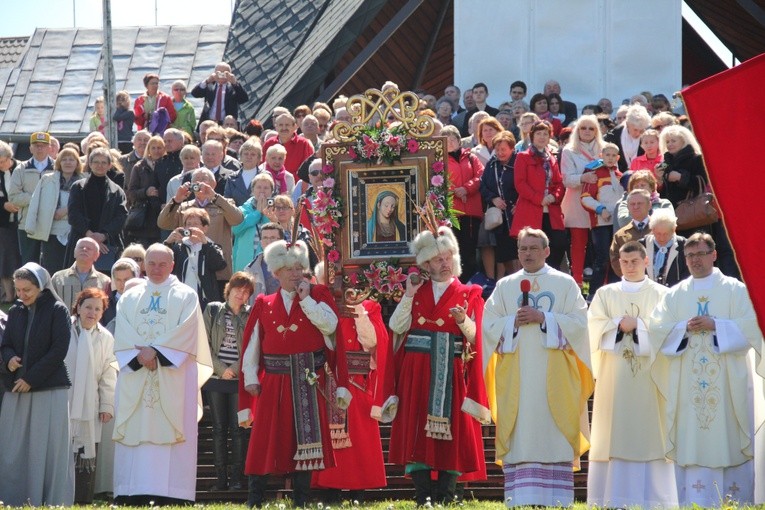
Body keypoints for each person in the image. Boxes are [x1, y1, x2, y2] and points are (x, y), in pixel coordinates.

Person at [649, 232, 764, 507]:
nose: (694, 260)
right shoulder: (676, 294)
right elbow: (656, 329)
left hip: (727, 381)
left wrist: (717, 326)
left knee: (728, 431)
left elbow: (753, 327)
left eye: (700, 254)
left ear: (714, 255)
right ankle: (696, 498)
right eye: (689, 256)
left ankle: (735, 497)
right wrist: (683, 328)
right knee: (692, 432)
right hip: (687, 381)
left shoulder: (736, 289)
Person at [482, 227, 593, 507]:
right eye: (522, 249)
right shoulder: (505, 286)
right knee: (521, 431)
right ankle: (522, 498)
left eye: (533, 248)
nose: (527, 254)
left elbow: (581, 325)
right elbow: (488, 326)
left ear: (547, 251)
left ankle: (555, 498)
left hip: (555, 376)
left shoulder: (565, 283)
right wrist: (512, 323)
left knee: (553, 431)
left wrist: (544, 317)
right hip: (517, 376)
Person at [388, 226, 490, 506]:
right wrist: (408, 295)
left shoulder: (469, 293)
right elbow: (396, 326)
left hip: (452, 370)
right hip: (417, 370)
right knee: (418, 429)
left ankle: (446, 495)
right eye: (437, 259)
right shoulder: (416, 292)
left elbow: (476, 336)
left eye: (447, 257)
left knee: (452, 432)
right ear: (425, 264)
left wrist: (462, 321)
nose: (444, 263)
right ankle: (423, 497)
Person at [240, 240, 345, 508]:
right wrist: (250, 376)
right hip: (273, 381)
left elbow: (330, 326)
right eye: (289, 269)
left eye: (299, 267)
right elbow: (253, 342)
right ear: (276, 273)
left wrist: (306, 299)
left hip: (307, 379)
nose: (296, 273)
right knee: (264, 440)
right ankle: (255, 499)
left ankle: (302, 500)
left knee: (305, 442)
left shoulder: (318, 294)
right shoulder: (264, 303)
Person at [112, 243, 213, 505]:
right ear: (144, 265)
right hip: (137, 375)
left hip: (172, 376)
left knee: (172, 430)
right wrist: (143, 357)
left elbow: (188, 330)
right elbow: (122, 329)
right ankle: (130, 489)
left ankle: (173, 492)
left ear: (172, 265)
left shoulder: (186, 295)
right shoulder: (130, 296)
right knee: (136, 429)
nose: (156, 269)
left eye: (162, 263)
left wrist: (155, 352)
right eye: (151, 263)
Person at [586, 242, 677, 508]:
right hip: (615, 379)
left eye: (635, 261)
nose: (629, 267)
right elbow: (592, 328)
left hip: (651, 379)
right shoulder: (605, 294)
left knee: (652, 433)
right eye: (624, 262)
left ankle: (655, 500)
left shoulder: (662, 295)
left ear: (646, 261)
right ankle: (614, 497)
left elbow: (669, 330)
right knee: (615, 431)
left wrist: (640, 326)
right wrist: (616, 325)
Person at [311, 264, 394, 502]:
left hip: (357, 381)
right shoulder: (320, 308)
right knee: (329, 437)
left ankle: (359, 489)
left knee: (359, 438)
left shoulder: (370, 306)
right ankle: (330, 489)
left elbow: (374, 342)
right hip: (328, 379)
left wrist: (358, 309)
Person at [0, 263, 74, 506]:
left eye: (27, 290)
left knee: (47, 449)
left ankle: (49, 500)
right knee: (12, 447)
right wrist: (9, 359)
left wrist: (31, 378)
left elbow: (58, 351)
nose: (22, 295)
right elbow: (6, 344)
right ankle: (12, 499)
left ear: (41, 287)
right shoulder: (16, 310)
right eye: (18, 290)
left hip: (48, 389)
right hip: (17, 388)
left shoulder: (57, 310)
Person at [65, 287, 117, 504]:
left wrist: (106, 405)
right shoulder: (64, 329)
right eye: (88, 307)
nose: (92, 312)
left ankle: (82, 499)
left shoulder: (105, 337)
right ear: (78, 306)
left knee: (87, 451)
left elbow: (108, 373)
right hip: (64, 400)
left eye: (98, 309)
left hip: (90, 405)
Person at [203, 272, 254, 491]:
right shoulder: (213, 310)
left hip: (239, 379)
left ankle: (236, 480)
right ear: (229, 289)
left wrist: (233, 369)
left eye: (246, 292)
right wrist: (222, 369)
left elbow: (254, 345)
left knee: (238, 429)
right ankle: (220, 480)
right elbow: (203, 344)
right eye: (237, 289)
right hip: (216, 378)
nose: (240, 294)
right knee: (218, 429)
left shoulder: (251, 314)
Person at [158, 167, 244, 285]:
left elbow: (237, 219)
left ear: (213, 184)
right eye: (196, 179)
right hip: (188, 268)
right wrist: (176, 200)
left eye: (204, 179)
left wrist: (214, 197)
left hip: (217, 269)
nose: (199, 182)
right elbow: (163, 223)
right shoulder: (183, 207)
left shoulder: (224, 203)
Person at [511, 121, 567, 269]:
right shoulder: (523, 157)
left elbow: (559, 183)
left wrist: (554, 196)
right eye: (538, 134)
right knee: (532, 245)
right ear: (532, 136)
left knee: (559, 243)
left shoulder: (551, 157)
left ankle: (549, 273)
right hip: (531, 208)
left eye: (545, 134)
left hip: (551, 208)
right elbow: (520, 183)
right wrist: (539, 198)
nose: (542, 137)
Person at [560, 114, 605, 287]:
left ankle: (603, 284)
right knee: (578, 245)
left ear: (597, 131)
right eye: (583, 128)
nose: (587, 131)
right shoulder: (569, 150)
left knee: (601, 246)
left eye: (591, 128)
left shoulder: (605, 148)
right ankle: (577, 283)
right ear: (577, 130)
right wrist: (583, 177)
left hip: (601, 201)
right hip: (576, 203)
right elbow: (566, 179)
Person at [24, 147, 84, 274]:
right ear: (59, 162)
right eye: (64, 159)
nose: (68, 162)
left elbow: (88, 204)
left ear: (77, 163)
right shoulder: (47, 179)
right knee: (52, 269)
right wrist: (30, 226)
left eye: (71, 159)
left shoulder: (85, 181)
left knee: (73, 269)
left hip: (75, 231)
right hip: (51, 231)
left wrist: (67, 210)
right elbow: (35, 202)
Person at [66, 148, 128, 271]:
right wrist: (89, 235)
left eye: (104, 162)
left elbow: (121, 217)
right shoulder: (78, 187)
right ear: (89, 164)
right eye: (96, 162)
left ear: (110, 165)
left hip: (108, 245)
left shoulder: (117, 191)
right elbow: (73, 214)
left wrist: (104, 235)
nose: (100, 165)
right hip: (80, 240)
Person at [580, 143, 624, 297]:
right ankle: (593, 294)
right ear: (601, 156)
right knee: (602, 259)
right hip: (600, 223)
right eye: (607, 155)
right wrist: (600, 209)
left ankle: (613, 293)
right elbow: (585, 198)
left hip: (618, 223)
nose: (611, 158)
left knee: (616, 259)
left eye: (614, 155)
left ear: (618, 158)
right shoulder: (594, 174)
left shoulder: (621, 176)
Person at [443, 125, 484, 282]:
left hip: (471, 213)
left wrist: (466, 189)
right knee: (454, 250)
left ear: (459, 141)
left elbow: (480, 176)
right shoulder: (440, 160)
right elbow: (438, 180)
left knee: (469, 251)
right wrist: (456, 190)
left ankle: (469, 282)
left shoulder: (471, 158)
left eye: (453, 139)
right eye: (446, 139)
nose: (450, 142)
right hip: (452, 213)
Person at [164, 207, 227, 309]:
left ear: (205, 228)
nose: (191, 228)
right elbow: (163, 264)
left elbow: (220, 265)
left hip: (204, 301)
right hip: (181, 299)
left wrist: (205, 243)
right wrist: (167, 243)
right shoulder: (178, 248)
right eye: (188, 224)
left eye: (196, 224)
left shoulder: (212, 246)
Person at [478, 131, 519, 286]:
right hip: (500, 218)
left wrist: (519, 203)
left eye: (504, 149)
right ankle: (503, 285)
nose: (500, 153)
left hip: (516, 214)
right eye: (498, 149)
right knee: (503, 253)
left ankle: (520, 283)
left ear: (512, 149)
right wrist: (493, 198)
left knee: (516, 252)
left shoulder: (519, 162)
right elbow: (483, 186)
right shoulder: (492, 164)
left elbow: (524, 184)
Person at [9, 132, 55, 264]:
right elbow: (14, 197)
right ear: (30, 148)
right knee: (29, 263)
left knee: (51, 262)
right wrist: (37, 199)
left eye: (43, 146)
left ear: (49, 148)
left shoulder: (57, 167)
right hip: (27, 224)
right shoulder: (21, 169)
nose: (40, 148)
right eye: (36, 145)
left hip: (52, 223)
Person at [51, 237, 112, 311]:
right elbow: (50, 305)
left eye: (89, 248)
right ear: (74, 252)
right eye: (81, 247)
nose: (84, 249)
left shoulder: (105, 281)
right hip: (63, 322)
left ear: (97, 256)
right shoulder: (58, 278)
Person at [126, 135, 165, 246]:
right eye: (153, 148)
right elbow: (131, 192)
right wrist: (145, 192)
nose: (156, 151)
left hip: (162, 215)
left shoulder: (167, 165)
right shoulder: (139, 167)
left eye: (159, 147)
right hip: (144, 218)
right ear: (148, 149)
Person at [232, 173, 274, 272]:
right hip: (244, 259)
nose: (262, 190)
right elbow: (236, 229)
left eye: (266, 188)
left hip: (267, 259)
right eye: (259, 187)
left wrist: (266, 214)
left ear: (272, 191)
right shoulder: (242, 209)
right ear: (253, 190)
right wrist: (257, 213)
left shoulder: (276, 209)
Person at [640, 209, 689, 287]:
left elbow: (688, 274)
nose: (662, 238)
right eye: (658, 234)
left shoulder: (684, 245)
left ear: (673, 230)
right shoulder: (642, 245)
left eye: (666, 234)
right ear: (652, 229)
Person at [609, 189, 653, 278]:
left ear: (649, 205)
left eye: (640, 203)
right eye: (632, 204)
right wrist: (631, 276)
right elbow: (615, 260)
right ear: (628, 207)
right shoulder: (620, 235)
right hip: (630, 282)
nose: (636, 207)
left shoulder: (659, 230)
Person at [191, 62, 249, 127]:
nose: (221, 75)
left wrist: (235, 82)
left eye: (224, 73)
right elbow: (195, 93)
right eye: (219, 73)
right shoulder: (209, 85)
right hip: (209, 122)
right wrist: (207, 81)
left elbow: (244, 99)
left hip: (226, 124)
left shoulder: (233, 88)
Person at [0, 141, 20, 302]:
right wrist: (3, 205)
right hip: (3, 222)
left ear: (9, 157)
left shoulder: (21, 169)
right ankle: (9, 295)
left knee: (20, 256)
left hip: (23, 220)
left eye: (1, 161)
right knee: (5, 257)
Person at [243, 222, 283, 299]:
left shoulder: (292, 266)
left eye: (272, 238)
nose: (269, 241)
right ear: (261, 242)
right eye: (265, 238)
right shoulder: (250, 270)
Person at [605, 104, 651, 172]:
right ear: (627, 124)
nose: (638, 133)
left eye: (641, 130)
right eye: (635, 130)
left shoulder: (648, 137)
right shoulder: (613, 136)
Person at [225, 138, 263, 207]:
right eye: (246, 154)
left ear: (258, 158)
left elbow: (271, 198)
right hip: (237, 216)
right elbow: (227, 200)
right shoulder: (232, 177)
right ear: (240, 156)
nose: (249, 157)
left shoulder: (265, 176)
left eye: (253, 154)